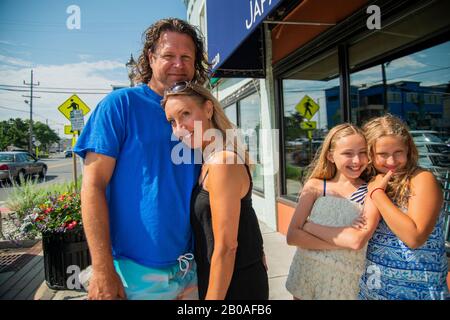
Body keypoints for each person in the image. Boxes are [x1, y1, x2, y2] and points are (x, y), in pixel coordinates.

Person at [73, 18, 210, 300]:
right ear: (151, 57)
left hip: (190, 267)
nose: (178, 64)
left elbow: (227, 183)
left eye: (186, 57)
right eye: (169, 56)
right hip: (133, 272)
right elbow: (92, 186)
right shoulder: (120, 105)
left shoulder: (200, 114)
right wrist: (102, 269)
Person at [162, 81, 269, 300]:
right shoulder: (208, 160)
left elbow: (227, 247)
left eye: (185, 114)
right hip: (220, 277)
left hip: (235, 284)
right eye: (172, 121)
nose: (179, 128)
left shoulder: (223, 163)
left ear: (208, 109)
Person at [358, 114, 449, 300]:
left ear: (408, 149)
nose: (391, 162)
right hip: (371, 290)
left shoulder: (422, 179)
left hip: (419, 292)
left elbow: (414, 237)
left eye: (398, 152)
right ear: (369, 154)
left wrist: (377, 194)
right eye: (382, 154)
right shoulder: (368, 181)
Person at [285, 123, 380, 300]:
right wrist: (337, 244)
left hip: (345, 279)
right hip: (307, 272)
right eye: (347, 153)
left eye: (362, 152)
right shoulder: (315, 186)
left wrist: (309, 227)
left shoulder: (371, 192)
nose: (357, 160)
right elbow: (292, 236)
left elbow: (355, 242)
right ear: (330, 156)